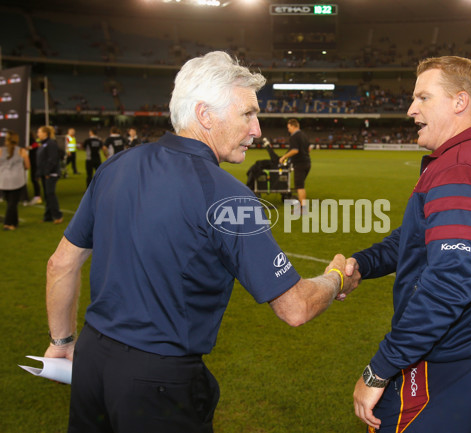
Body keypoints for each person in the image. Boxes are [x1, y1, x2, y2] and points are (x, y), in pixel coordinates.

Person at [43, 51, 351, 433]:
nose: (257, 129)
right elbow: (295, 307)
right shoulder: (228, 194)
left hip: (91, 361)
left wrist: (62, 340)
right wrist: (336, 277)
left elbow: (61, 263)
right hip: (158, 382)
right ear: (205, 115)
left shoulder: (116, 165)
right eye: (247, 115)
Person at [340, 56, 471, 433]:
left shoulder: (462, 169)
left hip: (450, 361)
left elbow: (448, 285)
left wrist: (379, 370)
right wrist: (363, 263)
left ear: (459, 102)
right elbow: (413, 240)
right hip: (469, 353)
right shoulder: (461, 160)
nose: (411, 109)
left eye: (423, 97)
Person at [0, 130, 30, 230]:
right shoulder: (21, 151)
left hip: (3, 181)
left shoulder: (0, 150)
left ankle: (14, 222)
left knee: (10, 202)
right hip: (17, 181)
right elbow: (27, 165)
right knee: (12, 203)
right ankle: (8, 224)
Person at [279, 118, 311, 210]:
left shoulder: (294, 136)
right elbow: (309, 149)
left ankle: (302, 208)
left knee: (300, 187)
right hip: (307, 162)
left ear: (293, 126)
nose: (288, 130)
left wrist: (284, 157)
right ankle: (302, 206)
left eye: (289, 128)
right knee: (301, 185)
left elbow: (295, 150)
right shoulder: (304, 135)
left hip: (300, 164)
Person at [36, 125, 63, 224]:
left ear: (45, 133)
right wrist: (39, 173)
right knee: (47, 195)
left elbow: (53, 159)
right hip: (45, 173)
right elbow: (41, 160)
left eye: (39, 132)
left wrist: (47, 172)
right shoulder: (43, 144)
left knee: (50, 194)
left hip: (51, 174)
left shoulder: (51, 143)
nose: (37, 133)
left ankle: (58, 215)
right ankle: (48, 216)